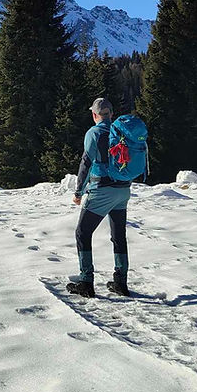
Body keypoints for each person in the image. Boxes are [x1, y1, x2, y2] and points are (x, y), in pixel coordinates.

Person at [66, 97, 131, 298]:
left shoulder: (94, 133)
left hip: (102, 189)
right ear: (111, 114)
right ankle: (120, 282)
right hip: (123, 190)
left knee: (82, 233)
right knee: (118, 235)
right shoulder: (121, 131)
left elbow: (86, 163)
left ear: (94, 115)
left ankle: (86, 282)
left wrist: (78, 192)